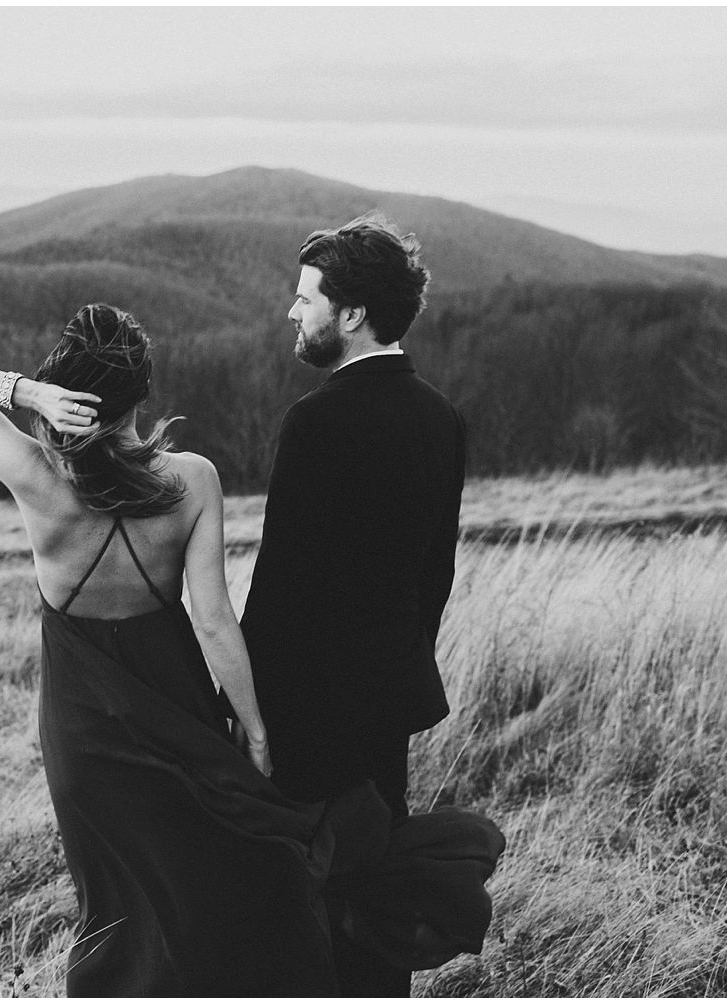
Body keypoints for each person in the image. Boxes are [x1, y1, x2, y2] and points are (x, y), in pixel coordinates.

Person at [0, 303, 500, 996]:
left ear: (69, 393)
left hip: (83, 732)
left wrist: (22, 392)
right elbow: (214, 621)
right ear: (143, 395)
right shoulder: (190, 479)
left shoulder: (38, 476)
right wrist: (254, 731)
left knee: (114, 900)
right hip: (178, 709)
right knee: (205, 881)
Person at [239, 214, 468, 996]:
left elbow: (281, 589)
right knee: (374, 897)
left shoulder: (315, 423)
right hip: (385, 711)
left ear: (352, 314)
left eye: (307, 299)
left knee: (302, 909)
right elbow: (433, 579)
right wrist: (397, 676)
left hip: (307, 717)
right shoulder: (442, 420)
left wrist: (248, 712)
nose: (293, 313)